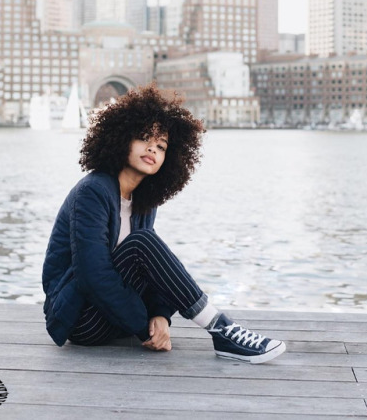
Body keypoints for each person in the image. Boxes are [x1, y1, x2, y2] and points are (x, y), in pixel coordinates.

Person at [42, 84, 285, 364]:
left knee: (146, 243)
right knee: (141, 242)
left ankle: (222, 330)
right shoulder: (93, 191)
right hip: (79, 320)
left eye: (161, 146)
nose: (152, 149)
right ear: (121, 139)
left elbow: (150, 267)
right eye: (144, 138)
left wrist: (160, 316)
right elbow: (91, 274)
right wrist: (144, 326)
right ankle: (221, 329)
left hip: (114, 317)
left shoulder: (143, 200)